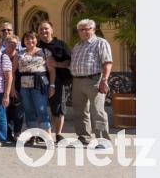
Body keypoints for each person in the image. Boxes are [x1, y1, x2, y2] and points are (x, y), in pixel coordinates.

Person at [69, 19, 113, 147]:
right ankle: (83, 137)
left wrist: (104, 80)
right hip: (77, 81)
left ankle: (103, 141)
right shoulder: (77, 45)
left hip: (94, 80)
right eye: (80, 29)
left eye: (86, 29)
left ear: (93, 29)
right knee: (80, 111)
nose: (83, 32)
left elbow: (107, 62)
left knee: (98, 111)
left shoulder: (100, 43)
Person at [11, 31, 56, 145]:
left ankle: (48, 137)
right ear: (23, 41)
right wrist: (12, 88)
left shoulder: (45, 52)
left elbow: (51, 70)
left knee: (41, 110)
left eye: (32, 38)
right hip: (24, 85)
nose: (30, 41)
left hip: (39, 84)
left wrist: (52, 85)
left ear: (37, 40)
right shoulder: (19, 54)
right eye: (27, 39)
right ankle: (33, 136)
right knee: (28, 111)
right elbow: (13, 71)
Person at [37, 21, 71, 142]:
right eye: (41, 29)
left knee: (58, 107)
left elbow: (69, 62)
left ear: (52, 30)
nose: (43, 31)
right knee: (40, 108)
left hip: (58, 81)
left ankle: (59, 133)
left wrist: (56, 64)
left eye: (46, 29)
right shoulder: (36, 45)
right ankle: (44, 133)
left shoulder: (61, 44)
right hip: (38, 81)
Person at [2, 35, 25, 142]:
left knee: (18, 111)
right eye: (10, 42)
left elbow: (14, 72)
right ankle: (7, 133)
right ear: (5, 44)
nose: (12, 44)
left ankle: (17, 133)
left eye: (15, 42)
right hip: (2, 87)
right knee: (5, 111)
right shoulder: (1, 56)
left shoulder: (20, 56)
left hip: (19, 87)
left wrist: (13, 89)